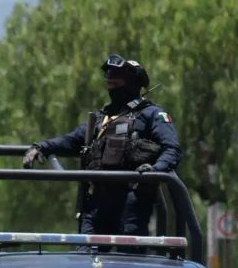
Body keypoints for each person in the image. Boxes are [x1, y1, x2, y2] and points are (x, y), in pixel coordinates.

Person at [23, 55, 183, 237]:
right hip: (96, 202)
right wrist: (42, 146)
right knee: (87, 257)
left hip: (131, 200)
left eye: (117, 82)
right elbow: (71, 140)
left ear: (133, 82)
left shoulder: (152, 114)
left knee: (128, 259)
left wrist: (155, 170)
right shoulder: (101, 118)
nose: (112, 86)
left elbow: (172, 149)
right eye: (110, 83)